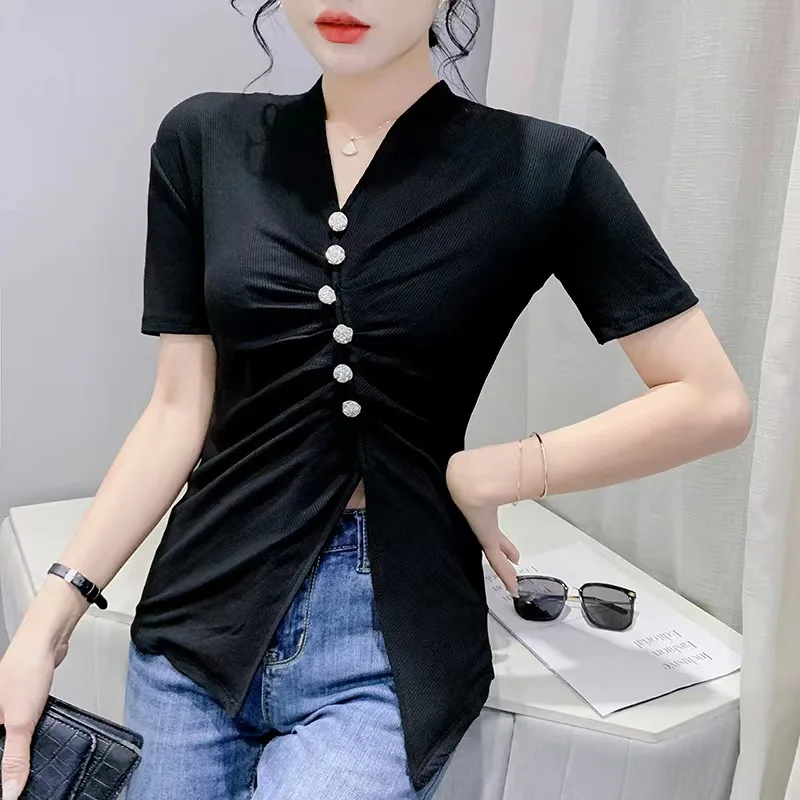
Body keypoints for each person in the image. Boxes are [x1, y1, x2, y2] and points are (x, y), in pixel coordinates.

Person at [0, 0, 753, 798]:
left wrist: (493, 472)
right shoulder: (205, 141)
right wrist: (46, 623)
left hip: (390, 633)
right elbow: (176, 411)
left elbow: (710, 400)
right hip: (199, 615)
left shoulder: (541, 167)